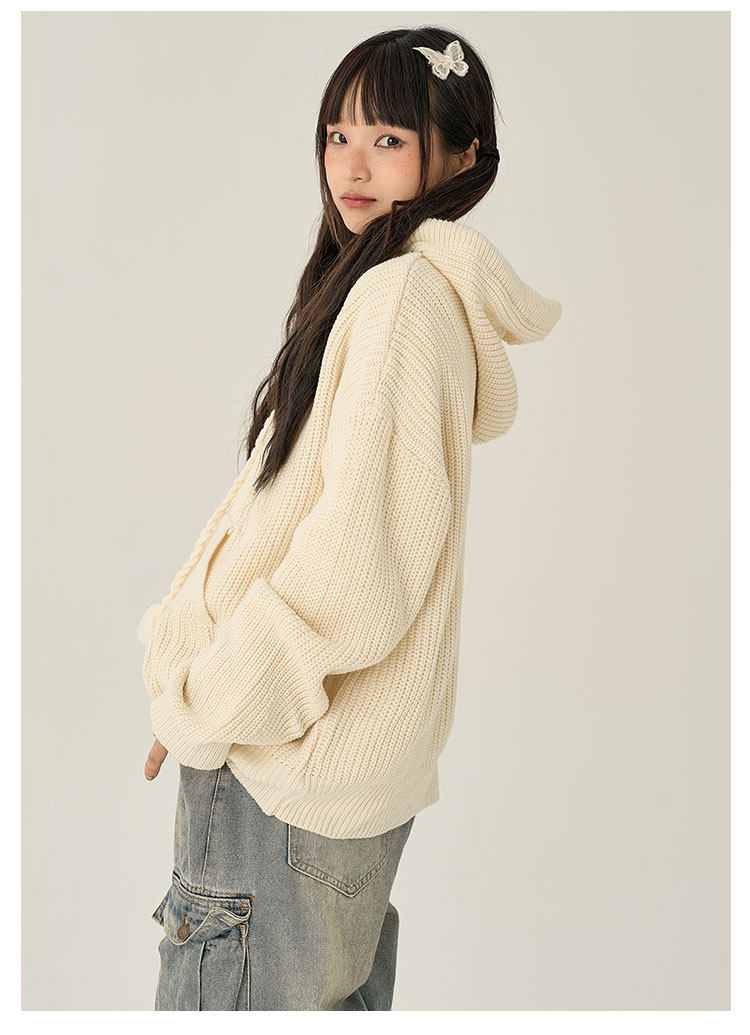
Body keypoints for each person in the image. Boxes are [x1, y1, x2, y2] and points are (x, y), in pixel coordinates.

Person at [137, 26, 562, 1011]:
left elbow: (354, 568)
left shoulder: (402, 297)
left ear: (460, 156)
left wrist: (206, 702)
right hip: (325, 777)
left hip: (281, 775)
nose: (352, 166)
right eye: (338, 135)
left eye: (389, 139)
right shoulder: (391, 289)